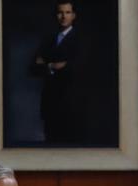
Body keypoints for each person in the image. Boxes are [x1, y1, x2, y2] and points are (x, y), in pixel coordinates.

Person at [31, 1, 84, 143]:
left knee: (69, 147)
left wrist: (48, 64)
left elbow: (80, 68)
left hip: (71, 103)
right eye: (60, 12)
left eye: (67, 13)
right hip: (50, 102)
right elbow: (33, 67)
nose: (63, 16)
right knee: (50, 145)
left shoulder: (81, 39)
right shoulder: (48, 39)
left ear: (73, 15)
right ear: (56, 15)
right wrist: (52, 66)